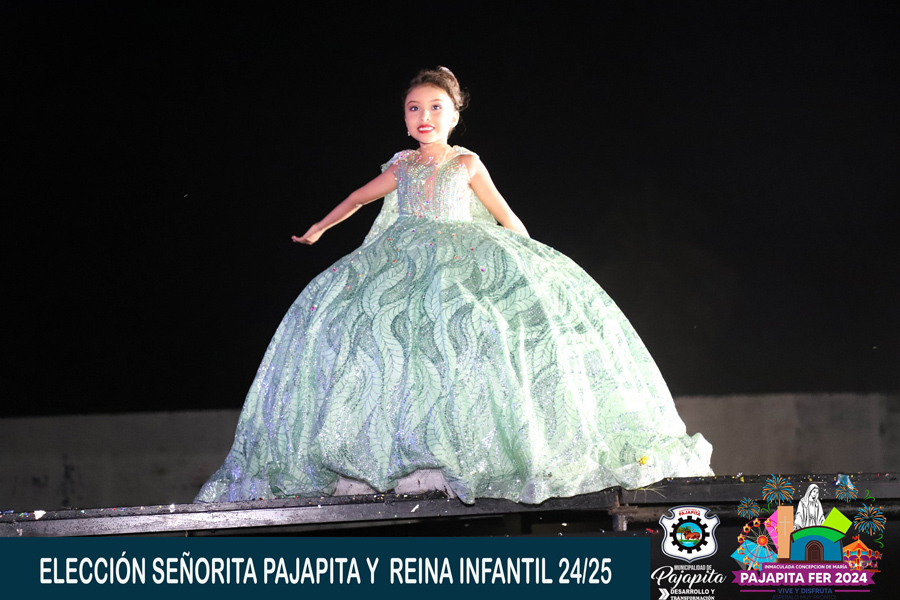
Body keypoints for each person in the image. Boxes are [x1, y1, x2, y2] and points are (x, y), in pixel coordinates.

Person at [195, 67, 713, 505]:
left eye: (435, 108)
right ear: (404, 117)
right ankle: (388, 454)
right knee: (382, 336)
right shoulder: (401, 166)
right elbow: (358, 198)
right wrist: (319, 228)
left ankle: (468, 453)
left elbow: (506, 217)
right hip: (400, 260)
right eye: (414, 108)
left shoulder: (465, 163)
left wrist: (535, 265)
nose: (424, 117)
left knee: (466, 333)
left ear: (454, 115)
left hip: (461, 254)